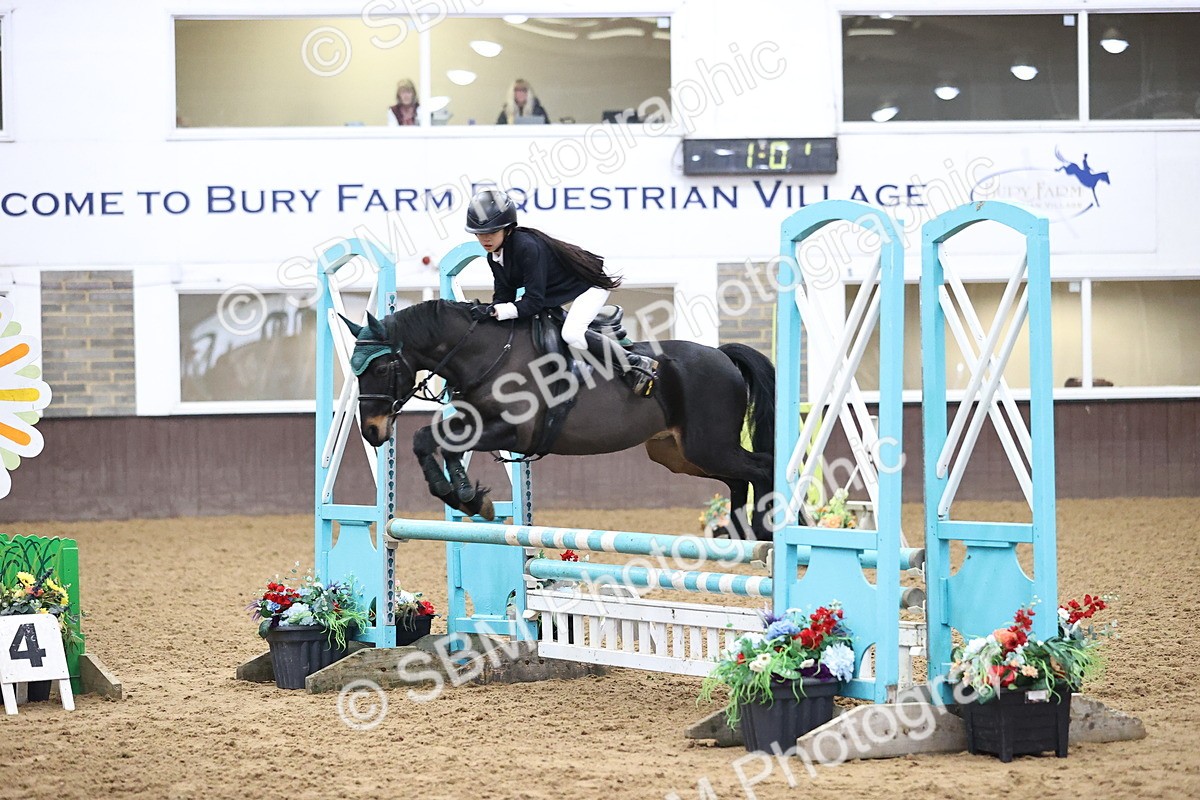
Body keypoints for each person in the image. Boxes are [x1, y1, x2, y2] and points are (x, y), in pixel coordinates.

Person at [464, 188, 655, 396]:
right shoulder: (495, 257)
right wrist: (486, 312)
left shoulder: (527, 247)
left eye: (492, 232)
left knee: (571, 333)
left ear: (508, 229)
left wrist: (496, 312)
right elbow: (504, 297)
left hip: (590, 283)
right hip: (558, 291)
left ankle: (636, 364)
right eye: (480, 233)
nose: (485, 239)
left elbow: (533, 302)